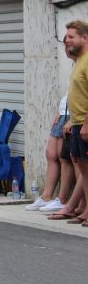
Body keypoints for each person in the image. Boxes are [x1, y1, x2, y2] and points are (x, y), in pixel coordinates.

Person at [27, 94, 73, 213]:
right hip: (64, 110)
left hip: (73, 113)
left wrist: (72, 119)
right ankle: (46, 196)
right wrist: (60, 111)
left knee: (63, 156)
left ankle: (62, 199)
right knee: (51, 154)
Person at [63, 20, 88, 227]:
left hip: (86, 123)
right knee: (83, 167)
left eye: (71, 37)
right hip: (78, 122)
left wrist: (86, 123)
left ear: (84, 38)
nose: (67, 40)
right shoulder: (79, 60)